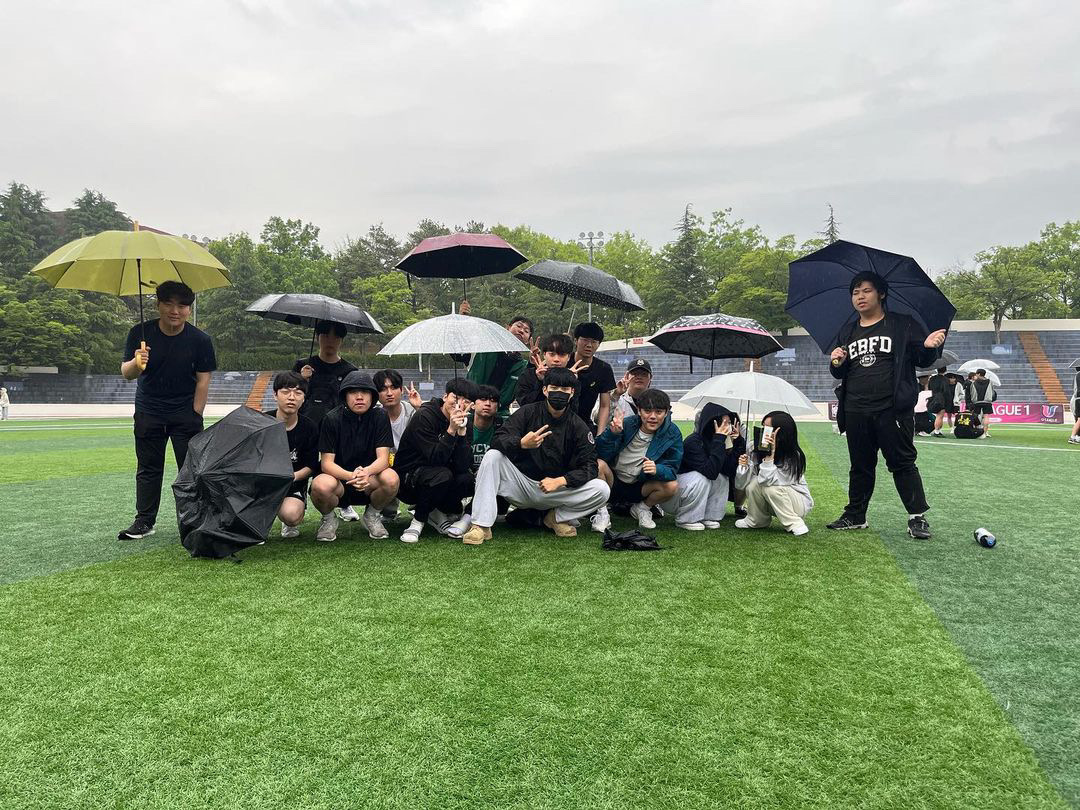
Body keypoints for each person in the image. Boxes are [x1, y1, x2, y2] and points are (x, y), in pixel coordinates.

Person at [826, 270, 945, 539]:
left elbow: (922, 359)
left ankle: (917, 517)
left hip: (892, 409)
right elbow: (840, 371)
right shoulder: (848, 330)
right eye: (855, 292)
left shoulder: (902, 324)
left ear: (881, 293)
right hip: (856, 408)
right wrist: (836, 361)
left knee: (902, 463)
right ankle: (856, 515)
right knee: (860, 465)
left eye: (866, 290)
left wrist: (928, 346)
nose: (860, 296)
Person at [461, 366, 610, 545]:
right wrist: (521, 443)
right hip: (521, 485)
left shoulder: (578, 426)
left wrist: (562, 480)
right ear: (545, 390)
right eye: (554, 388)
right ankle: (481, 525)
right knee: (493, 456)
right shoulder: (527, 412)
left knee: (602, 489)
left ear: (572, 393)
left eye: (564, 389)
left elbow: (590, 466)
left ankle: (555, 518)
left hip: (555, 490)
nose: (559, 393)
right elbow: (498, 439)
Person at [118, 281, 216, 540]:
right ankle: (144, 521)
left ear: (189, 309)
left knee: (191, 471)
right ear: (158, 305)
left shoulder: (200, 340)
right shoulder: (140, 332)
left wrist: (196, 414)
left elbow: (203, 380)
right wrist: (137, 363)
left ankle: (194, 520)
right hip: (149, 411)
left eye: (182, 305)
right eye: (169, 304)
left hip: (185, 413)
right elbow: (127, 373)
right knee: (148, 468)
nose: (175, 311)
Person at [310, 371, 399, 542]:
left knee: (391, 478)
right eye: (353, 392)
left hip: (370, 480)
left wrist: (366, 472)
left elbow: (383, 458)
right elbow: (326, 464)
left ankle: (372, 515)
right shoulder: (331, 419)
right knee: (320, 485)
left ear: (372, 396)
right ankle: (328, 519)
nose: (359, 397)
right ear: (345, 395)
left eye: (364, 392)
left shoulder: (380, 416)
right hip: (339, 481)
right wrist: (351, 476)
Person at [393, 378, 479, 543]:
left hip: (440, 476)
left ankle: (437, 511)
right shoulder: (424, 416)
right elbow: (435, 458)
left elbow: (462, 466)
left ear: (472, 406)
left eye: (466, 401)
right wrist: (451, 430)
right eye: (456, 397)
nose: (460, 404)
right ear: (445, 396)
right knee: (441, 475)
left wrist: (461, 434)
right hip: (408, 480)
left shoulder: (466, 422)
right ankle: (418, 521)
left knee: (467, 479)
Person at [595, 388, 684, 531]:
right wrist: (612, 434)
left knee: (671, 486)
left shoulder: (672, 433)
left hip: (641, 485)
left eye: (659, 412)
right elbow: (600, 453)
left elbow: (673, 468)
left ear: (667, 412)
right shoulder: (626, 424)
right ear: (639, 410)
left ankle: (642, 508)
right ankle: (602, 511)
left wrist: (657, 469)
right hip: (614, 481)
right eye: (647, 411)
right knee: (598, 465)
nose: (653, 417)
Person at [733, 411, 813, 536]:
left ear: (781, 433)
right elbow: (741, 485)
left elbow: (768, 481)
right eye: (763, 427)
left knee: (770, 488)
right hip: (771, 501)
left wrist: (770, 456)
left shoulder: (793, 456)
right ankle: (756, 520)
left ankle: (794, 523)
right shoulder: (753, 448)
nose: (763, 432)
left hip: (796, 504)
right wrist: (744, 468)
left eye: (768, 429)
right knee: (752, 485)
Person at [265, 371, 319, 538]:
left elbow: (311, 466)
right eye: (286, 392)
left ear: (304, 398)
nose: (291, 397)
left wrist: (290, 477)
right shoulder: (262, 423)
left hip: (293, 483)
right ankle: (259, 519)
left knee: (291, 515)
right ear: (275, 395)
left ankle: (289, 511)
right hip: (263, 483)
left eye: (298, 393)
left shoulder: (309, 427)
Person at [672, 404, 743, 530]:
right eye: (725, 423)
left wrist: (738, 442)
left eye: (729, 423)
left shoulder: (718, 441)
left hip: (695, 486)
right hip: (677, 492)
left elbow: (728, 470)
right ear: (712, 423)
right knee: (702, 477)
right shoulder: (693, 442)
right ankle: (686, 518)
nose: (728, 427)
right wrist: (719, 439)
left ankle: (709, 516)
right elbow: (710, 472)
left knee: (722, 476)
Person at [371, 368, 424, 522]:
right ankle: (386, 510)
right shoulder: (373, 417)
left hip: (411, 463)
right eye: (383, 389)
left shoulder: (413, 411)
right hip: (384, 464)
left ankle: (420, 506)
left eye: (393, 387)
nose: (389, 393)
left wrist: (419, 408)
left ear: (401, 390)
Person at [292, 320, 357, 426]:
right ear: (317, 337)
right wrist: (301, 379)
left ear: (342, 341)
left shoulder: (350, 371)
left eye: (336, 337)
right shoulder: (302, 366)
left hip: (337, 427)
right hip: (304, 425)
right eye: (326, 336)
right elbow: (289, 394)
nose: (330, 341)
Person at [570, 322, 616, 433]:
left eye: (594, 341)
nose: (589, 345)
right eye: (585, 340)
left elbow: (604, 405)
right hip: (560, 422)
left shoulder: (604, 369)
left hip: (584, 424)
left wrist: (600, 434)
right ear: (576, 341)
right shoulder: (564, 362)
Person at [513, 333, 577, 407]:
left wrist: (572, 381)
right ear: (544, 355)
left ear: (568, 357)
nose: (556, 359)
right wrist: (541, 381)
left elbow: (575, 408)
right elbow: (524, 404)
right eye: (552, 354)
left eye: (562, 355)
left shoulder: (573, 376)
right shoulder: (529, 375)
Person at [968, 369, 997, 438]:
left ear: (979, 374)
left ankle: (978, 431)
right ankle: (985, 432)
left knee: (976, 416)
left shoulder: (974, 383)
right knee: (986, 416)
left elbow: (971, 392)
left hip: (977, 402)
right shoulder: (990, 382)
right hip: (987, 401)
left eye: (976, 374)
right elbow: (992, 391)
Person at [928, 367, 950, 436]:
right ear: (945, 370)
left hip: (933, 397)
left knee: (938, 415)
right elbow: (946, 391)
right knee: (940, 415)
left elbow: (929, 387)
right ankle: (937, 431)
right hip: (941, 398)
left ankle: (939, 430)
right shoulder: (945, 379)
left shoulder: (932, 378)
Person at [1069, 362, 1080, 444]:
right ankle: (1073, 437)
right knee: (1079, 419)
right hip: (1078, 398)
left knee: (1077, 419)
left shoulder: (1076, 375)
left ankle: (1077, 436)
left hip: (1076, 398)